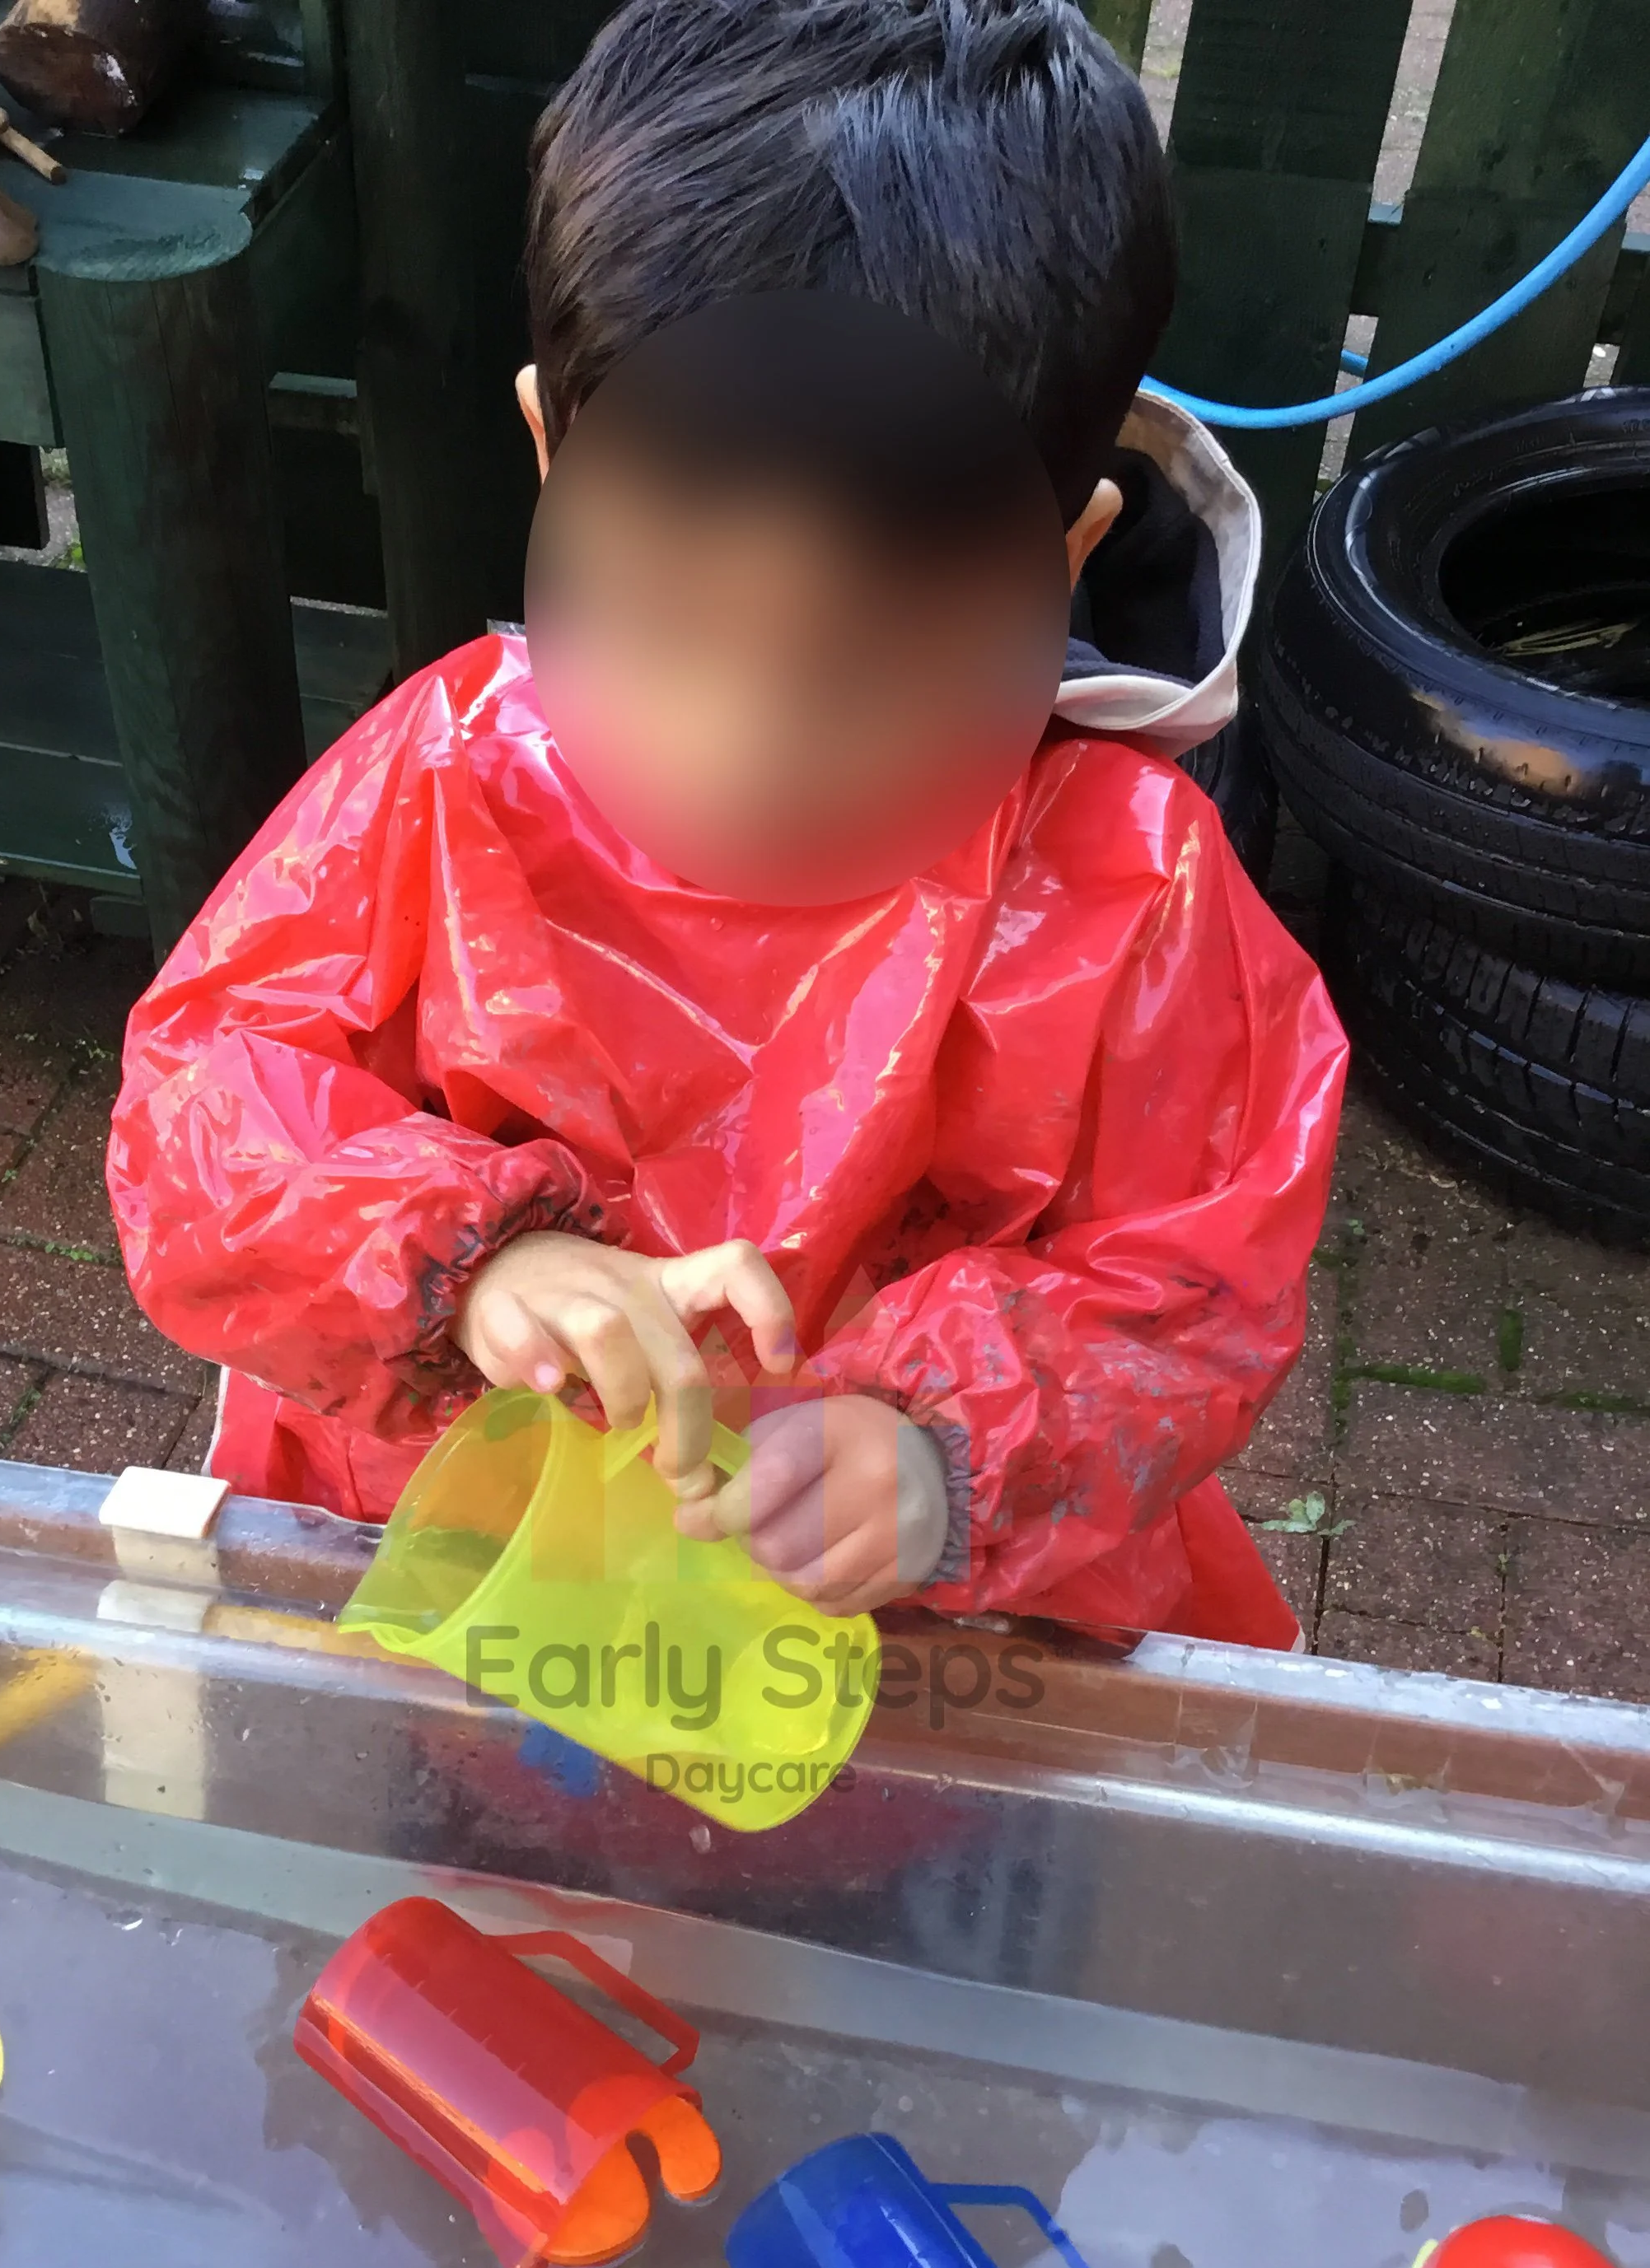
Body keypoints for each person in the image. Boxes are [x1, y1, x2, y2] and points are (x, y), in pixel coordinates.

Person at [108, 0, 1347, 1650]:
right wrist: (467, 1269)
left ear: (1059, 559)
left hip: (904, 1630)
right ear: (555, 452)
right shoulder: (444, 778)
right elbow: (208, 1107)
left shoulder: (1130, 889)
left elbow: (1195, 1283)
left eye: (876, 667)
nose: (750, 750)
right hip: (452, 1560)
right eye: (676, 624)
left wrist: (938, 1450)